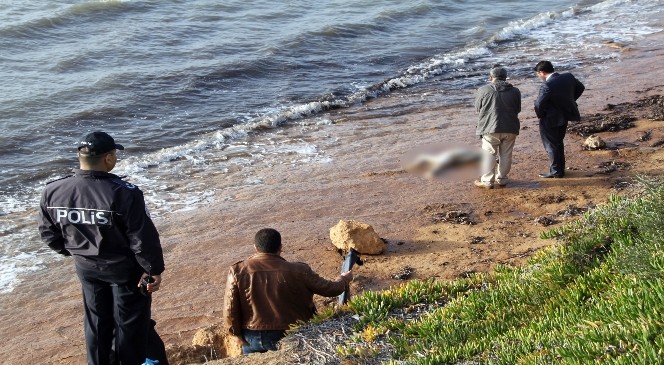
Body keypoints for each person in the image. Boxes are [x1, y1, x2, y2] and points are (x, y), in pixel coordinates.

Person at [38, 131, 166, 365]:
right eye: (114, 154)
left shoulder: (52, 191)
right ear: (108, 158)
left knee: (97, 324)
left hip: (87, 268)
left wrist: (76, 252)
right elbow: (142, 237)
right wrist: (152, 269)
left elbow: (48, 233)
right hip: (125, 271)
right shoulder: (124, 192)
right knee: (129, 326)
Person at [223, 228, 353, 354]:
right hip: (290, 332)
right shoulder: (299, 270)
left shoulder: (237, 271)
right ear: (280, 247)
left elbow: (230, 307)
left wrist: (234, 334)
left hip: (252, 335)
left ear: (255, 248)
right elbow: (330, 289)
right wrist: (343, 279)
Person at [533, 60, 585, 178]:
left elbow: (539, 104)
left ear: (542, 72)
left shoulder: (547, 85)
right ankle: (559, 169)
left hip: (550, 118)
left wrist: (541, 115)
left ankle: (556, 171)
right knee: (558, 142)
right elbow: (581, 87)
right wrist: (569, 101)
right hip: (564, 115)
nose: (538, 76)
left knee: (551, 145)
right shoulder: (568, 77)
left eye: (537, 74)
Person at [473, 65, 521, 189]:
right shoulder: (515, 91)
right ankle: (502, 179)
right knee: (506, 154)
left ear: (490, 77)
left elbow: (477, 109)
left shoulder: (483, 90)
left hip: (490, 128)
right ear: (505, 78)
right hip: (510, 127)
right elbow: (518, 109)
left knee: (489, 154)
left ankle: (488, 181)